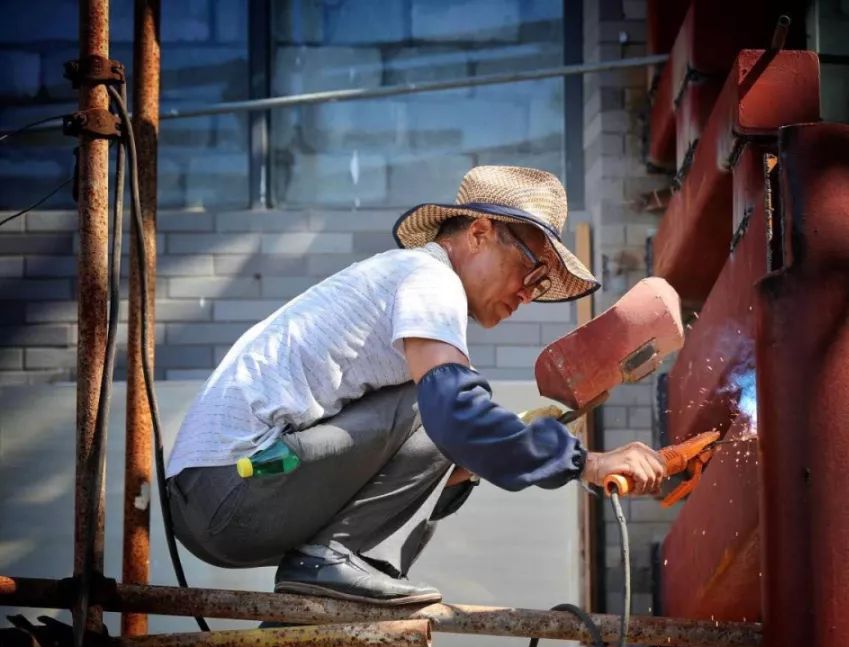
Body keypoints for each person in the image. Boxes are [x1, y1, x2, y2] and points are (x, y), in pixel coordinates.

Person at [164, 165, 665, 605]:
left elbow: (435, 453)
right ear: (480, 232)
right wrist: (588, 463)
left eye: (539, 288)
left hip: (214, 500)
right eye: (531, 272)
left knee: (449, 420)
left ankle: (330, 571)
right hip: (232, 486)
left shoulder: (402, 279)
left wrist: (499, 448)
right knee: (438, 405)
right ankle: (328, 560)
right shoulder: (430, 279)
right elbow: (451, 412)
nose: (527, 297)